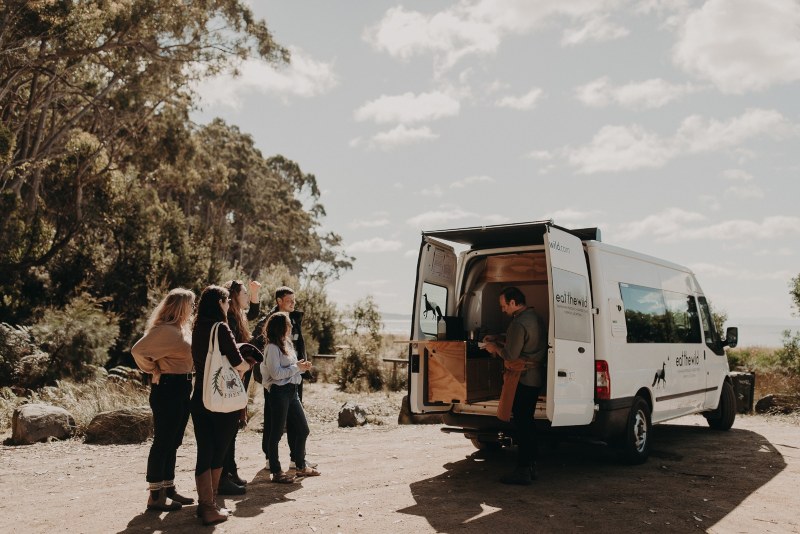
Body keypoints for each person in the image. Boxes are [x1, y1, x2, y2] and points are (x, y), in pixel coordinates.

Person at [190, 285, 254, 525]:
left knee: (203, 450)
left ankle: (204, 504)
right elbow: (238, 363)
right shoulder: (222, 328)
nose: (229, 305)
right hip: (221, 400)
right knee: (219, 451)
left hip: (199, 397)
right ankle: (210, 506)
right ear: (220, 303)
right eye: (227, 301)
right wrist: (248, 363)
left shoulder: (197, 328)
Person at [131, 288, 196, 512]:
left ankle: (169, 489)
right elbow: (138, 351)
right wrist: (153, 368)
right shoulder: (167, 331)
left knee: (174, 440)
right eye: (191, 304)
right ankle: (155, 496)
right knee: (163, 441)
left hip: (182, 386)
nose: (193, 309)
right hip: (169, 387)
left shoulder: (181, 329)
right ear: (181, 307)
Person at [482, 286, 547, 486]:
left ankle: (523, 469)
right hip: (535, 377)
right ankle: (531, 465)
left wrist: (494, 347)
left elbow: (511, 355)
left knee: (522, 422)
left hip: (523, 378)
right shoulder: (534, 317)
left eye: (504, 306)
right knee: (527, 421)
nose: (502, 310)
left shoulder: (518, 323)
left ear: (513, 302)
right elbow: (525, 343)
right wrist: (501, 338)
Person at [253, 286, 316, 471]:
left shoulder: (294, 319)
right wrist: (264, 374)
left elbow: (298, 346)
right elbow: (258, 348)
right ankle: (270, 460)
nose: (293, 304)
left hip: (294, 378)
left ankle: (297, 458)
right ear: (279, 300)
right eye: (290, 300)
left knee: (297, 422)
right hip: (276, 383)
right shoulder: (268, 323)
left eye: (294, 300)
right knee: (273, 421)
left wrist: (300, 367)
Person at [260, 311, 320, 483]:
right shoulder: (271, 348)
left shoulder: (286, 344)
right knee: (276, 433)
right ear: (281, 327)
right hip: (279, 392)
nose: (291, 327)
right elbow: (276, 374)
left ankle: (300, 466)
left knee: (303, 429)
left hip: (292, 391)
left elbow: (292, 367)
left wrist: (301, 367)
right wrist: (297, 368)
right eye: (288, 324)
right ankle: (277, 471)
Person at [217, 279, 261, 496]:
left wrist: (254, 293)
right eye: (244, 293)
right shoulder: (231, 320)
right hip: (234, 378)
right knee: (229, 427)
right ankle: (224, 474)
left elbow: (253, 313)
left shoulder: (238, 316)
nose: (247, 296)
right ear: (235, 295)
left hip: (240, 377)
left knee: (233, 427)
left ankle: (230, 470)